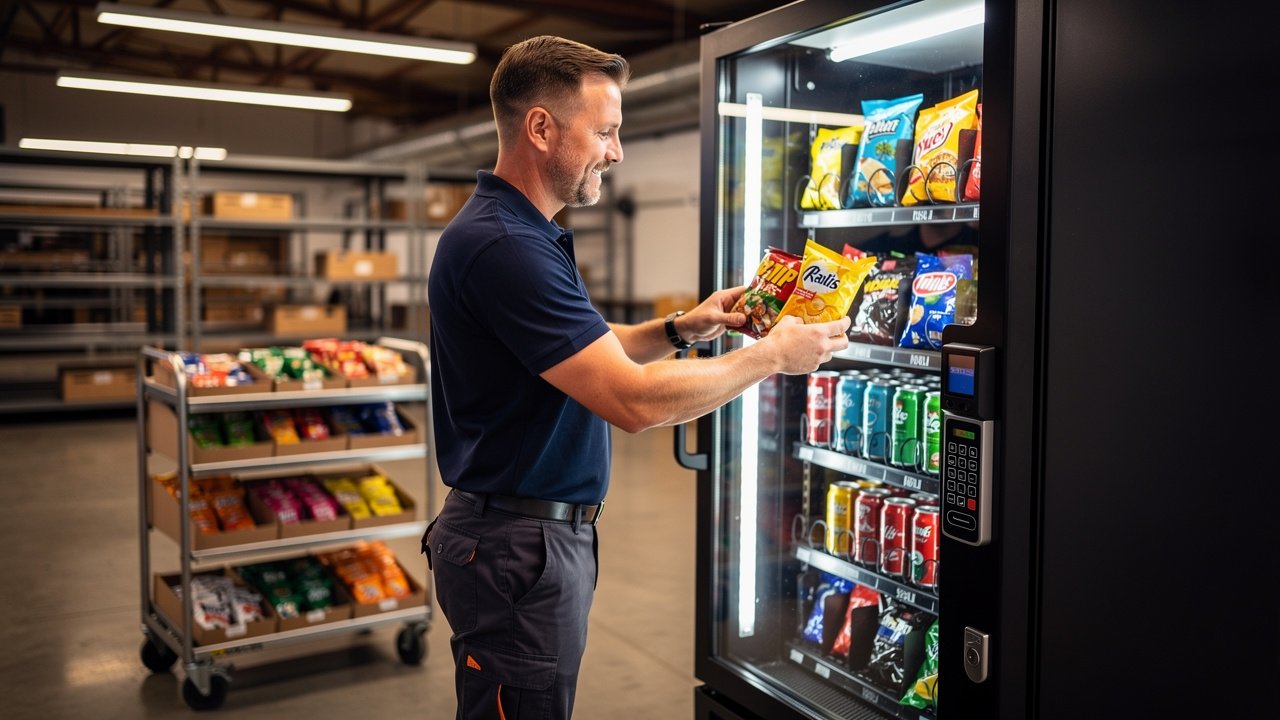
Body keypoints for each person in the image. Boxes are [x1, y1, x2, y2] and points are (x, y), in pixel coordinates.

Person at [422, 35, 851, 720]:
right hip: (516, 550)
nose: (616, 152)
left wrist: (685, 328)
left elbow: (586, 351)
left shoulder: (517, 233)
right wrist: (773, 355)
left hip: (518, 541)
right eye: (606, 131)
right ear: (540, 128)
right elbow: (632, 399)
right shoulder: (507, 246)